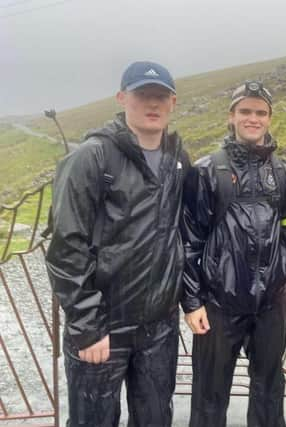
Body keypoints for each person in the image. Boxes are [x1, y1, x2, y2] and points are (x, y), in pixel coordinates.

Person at [45, 61, 189, 427]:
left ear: (173, 102)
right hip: (103, 326)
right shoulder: (90, 158)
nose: (152, 104)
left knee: (156, 419)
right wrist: (87, 326)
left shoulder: (177, 160)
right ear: (123, 97)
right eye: (143, 95)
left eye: (160, 96)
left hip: (159, 326)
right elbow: (66, 248)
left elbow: (185, 231)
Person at [181, 81, 286, 427]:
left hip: (271, 302)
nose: (253, 118)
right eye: (246, 111)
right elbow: (190, 240)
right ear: (232, 116)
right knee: (210, 393)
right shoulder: (207, 170)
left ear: (269, 118)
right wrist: (192, 302)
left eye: (260, 112)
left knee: (269, 388)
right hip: (220, 303)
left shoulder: (283, 172)